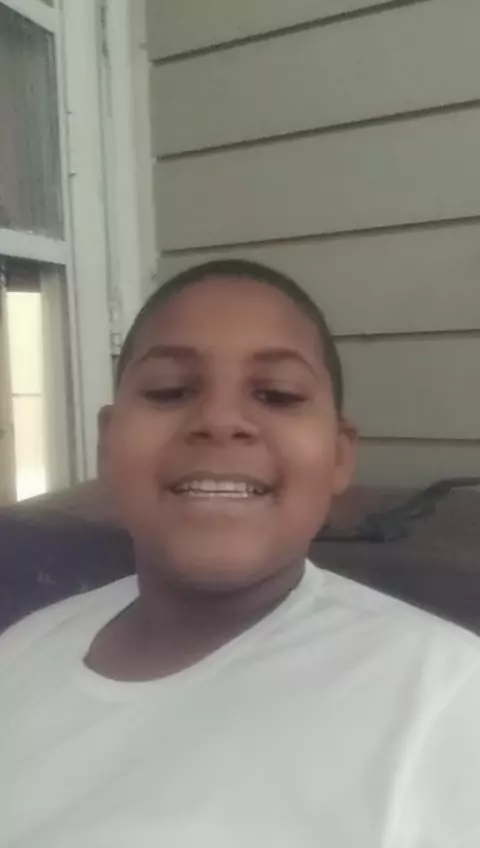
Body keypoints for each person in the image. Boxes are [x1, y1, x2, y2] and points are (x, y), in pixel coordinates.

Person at [1, 259, 480, 847]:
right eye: (170, 391)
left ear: (337, 456)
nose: (221, 421)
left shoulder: (445, 699)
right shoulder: (21, 653)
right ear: (107, 443)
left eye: (277, 395)